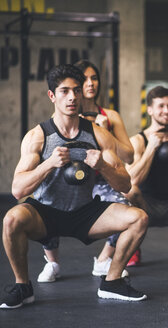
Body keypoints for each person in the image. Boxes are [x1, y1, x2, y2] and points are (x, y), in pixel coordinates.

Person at [0, 64, 148, 309]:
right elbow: (18, 189)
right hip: (45, 213)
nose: (71, 97)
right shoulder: (38, 137)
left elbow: (125, 184)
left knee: (138, 218)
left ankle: (112, 282)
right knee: (11, 220)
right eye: (64, 91)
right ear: (52, 96)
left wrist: (104, 166)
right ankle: (22, 287)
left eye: (76, 91)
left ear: (82, 94)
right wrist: (48, 164)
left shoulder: (99, 135)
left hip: (84, 212)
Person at [37, 60, 135, 283]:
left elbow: (129, 155)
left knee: (128, 204)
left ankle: (103, 260)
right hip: (65, 180)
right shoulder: (65, 111)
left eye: (94, 78)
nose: (90, 83)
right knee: (45, 199)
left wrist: (104, 130)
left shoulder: (109, 116)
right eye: (84, 79)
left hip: (99, 182)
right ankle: (52, 262)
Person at [98, 85, 168, 266]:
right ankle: (132, 244)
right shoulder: (138, 141)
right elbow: (130, 182)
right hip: (145, 207)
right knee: (129, 192)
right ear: (149, 110)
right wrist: (151, 148)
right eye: (161, 106)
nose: (167, 111)